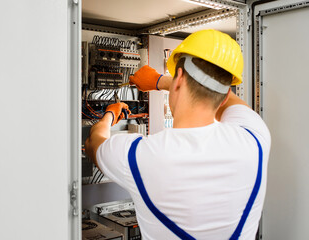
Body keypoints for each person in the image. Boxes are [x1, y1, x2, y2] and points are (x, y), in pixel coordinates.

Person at [85, 29, 271, 240]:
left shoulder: (141, 155)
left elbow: (93, 142)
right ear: (227, 92)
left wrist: (110, 113)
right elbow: (234, 104)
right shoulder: (255, 139)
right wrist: (166, 82)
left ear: (179, 77)